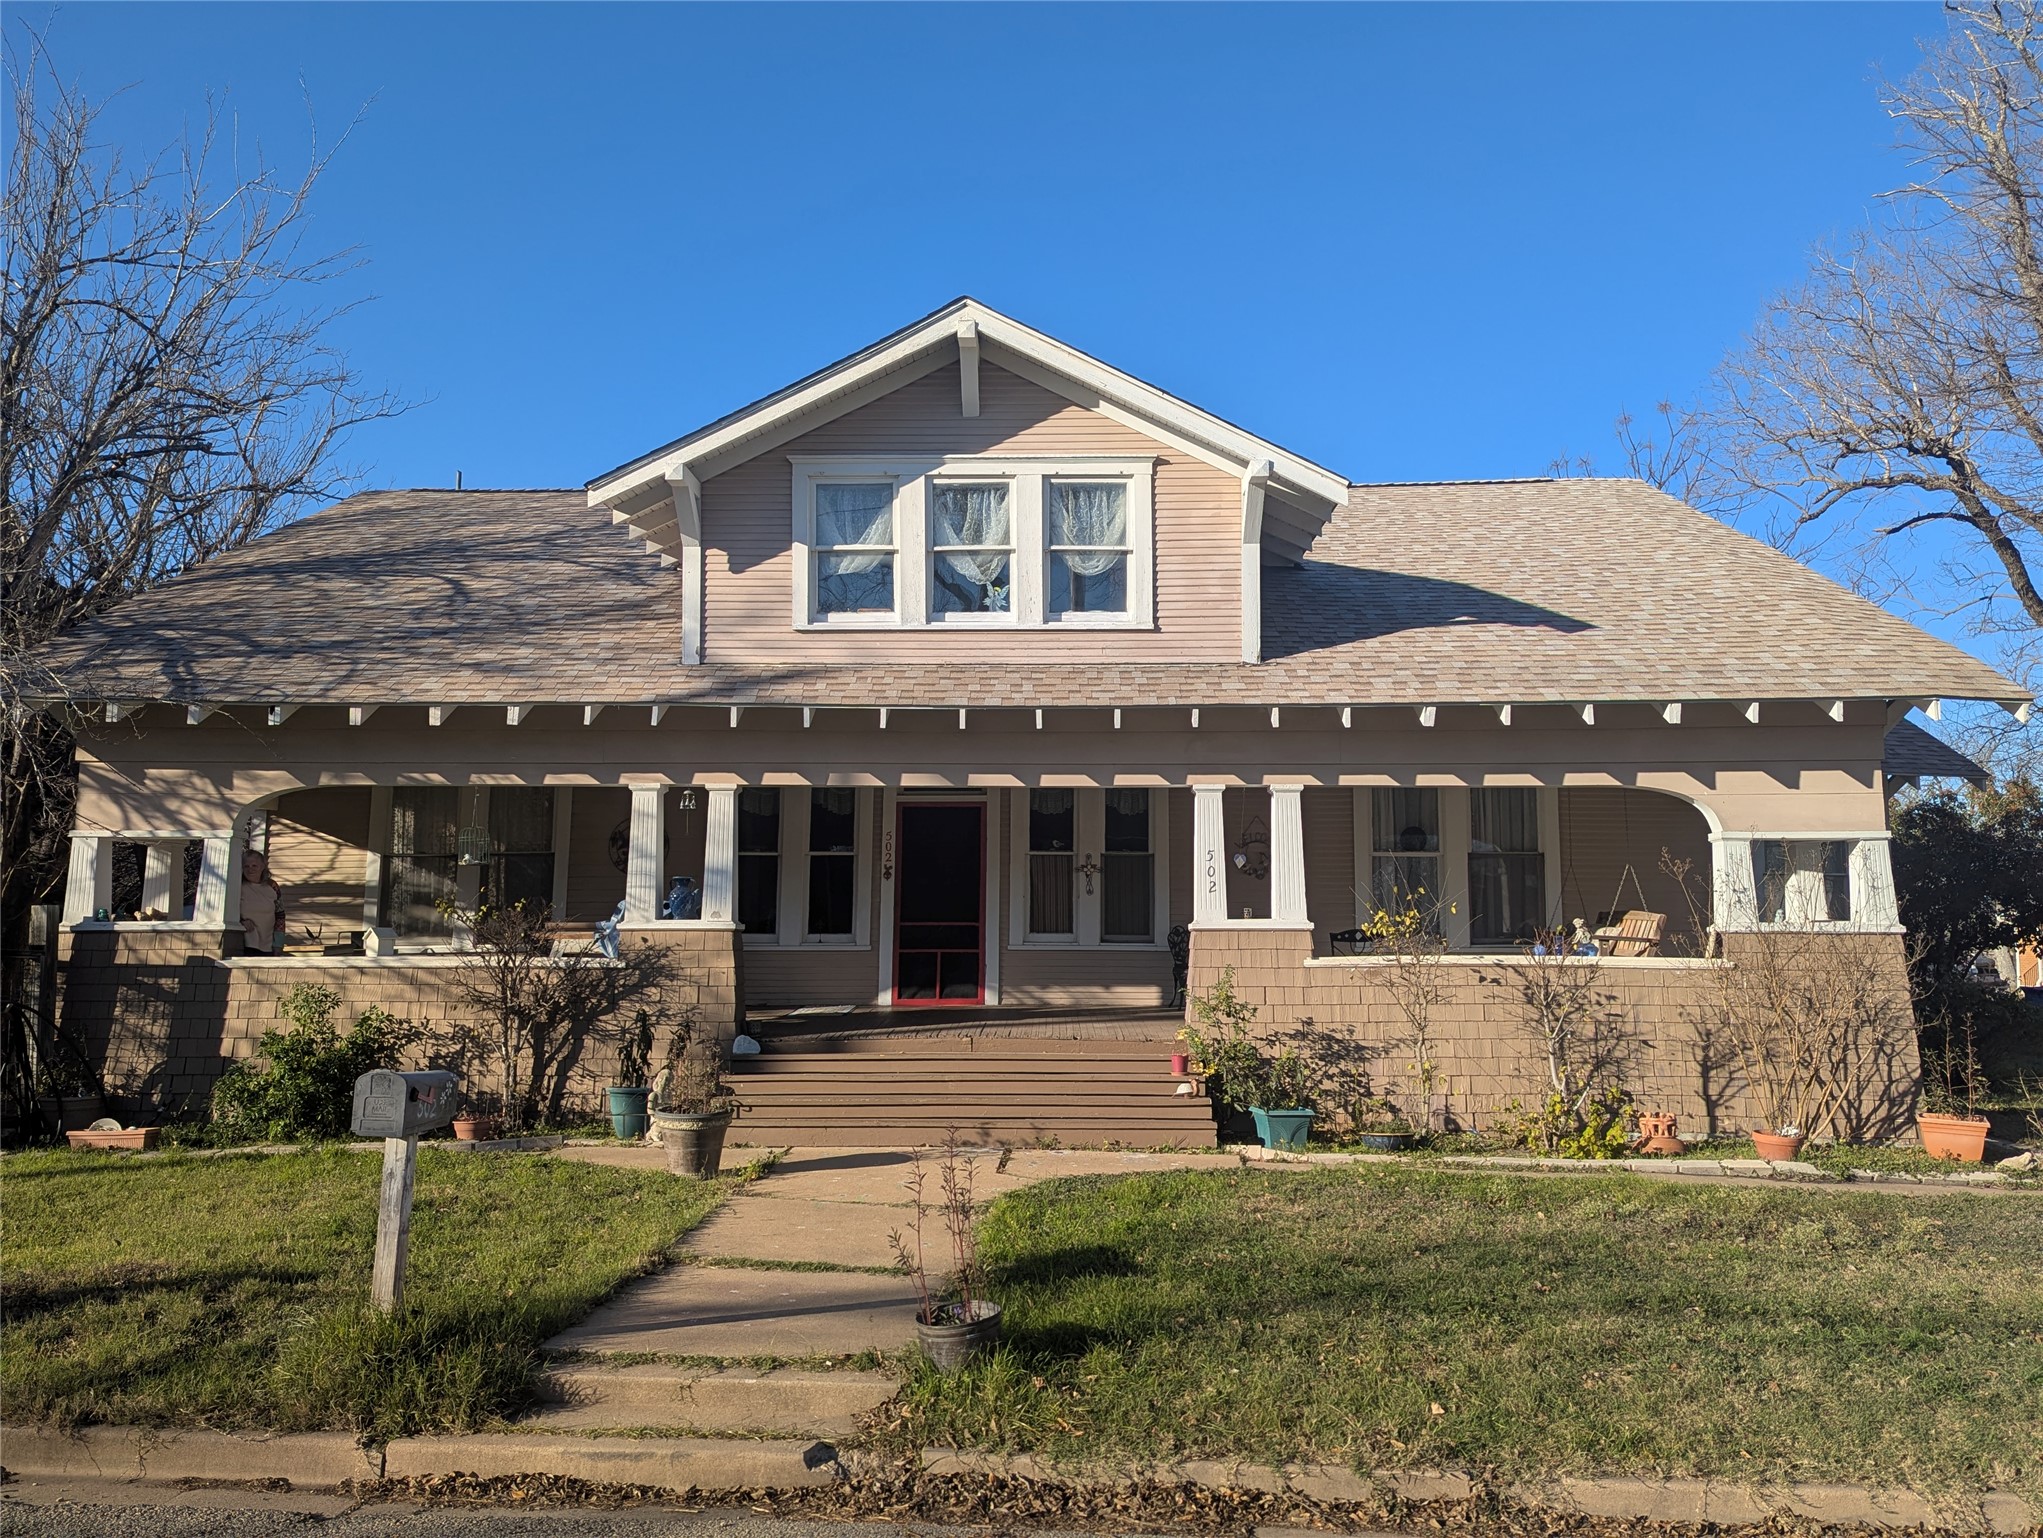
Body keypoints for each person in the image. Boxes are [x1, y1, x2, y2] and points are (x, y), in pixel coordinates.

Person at [240, 850, 285, 954]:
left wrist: (278, 943)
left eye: (254, 866)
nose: (250, 869)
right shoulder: (238, 885)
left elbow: (280, 915)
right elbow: (229, 910)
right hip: (245, 944)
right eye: (246, 866)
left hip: (268, 945)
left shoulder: (272, 886)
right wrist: (240, 921)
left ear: (262, 866)